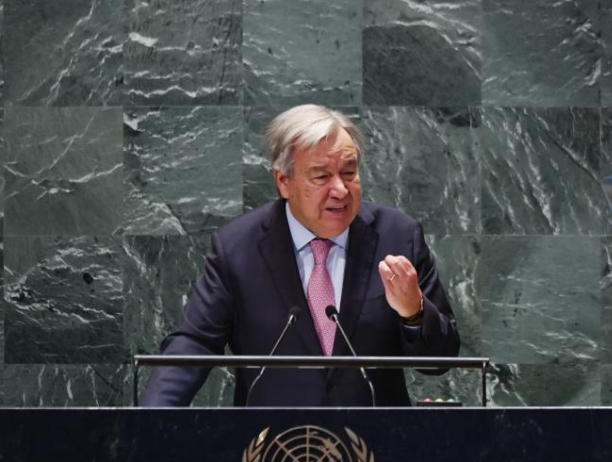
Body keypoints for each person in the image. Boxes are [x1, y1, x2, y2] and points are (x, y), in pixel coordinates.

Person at [141, 105, 459, 406]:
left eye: (349, 173)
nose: (340, 190)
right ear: (284, 181)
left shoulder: (398, 237)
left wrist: (414, 312)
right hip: (272, 452)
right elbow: (195, 343)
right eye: (321, 177)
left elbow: (440, 361)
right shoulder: (238, 248)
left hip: (375, 450)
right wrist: (146, 423)